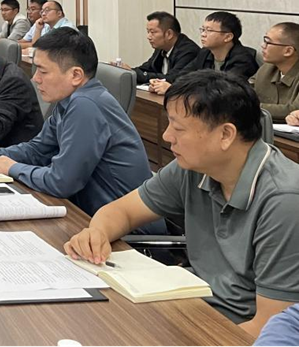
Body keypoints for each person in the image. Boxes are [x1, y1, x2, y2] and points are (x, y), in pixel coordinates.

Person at [64, 71, 299, 337]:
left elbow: (269, 330)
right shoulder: (193, 167)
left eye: (178, 128)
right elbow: (122, 211)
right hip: (189, 308)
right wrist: (97, 233)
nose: (167, 136)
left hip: (231, 331)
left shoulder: (285, 201)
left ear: (225, 134)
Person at [0, 28, 162, 230]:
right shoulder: (69, 101)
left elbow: (61, 182)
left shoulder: (86, 106)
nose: (35, 78)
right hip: (92, 219)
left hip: (129, 234)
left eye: (43, 71)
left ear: (76, 75)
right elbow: (36, 149)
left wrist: (12, 167)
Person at [152, 11, 258, 95]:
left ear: (228, 37)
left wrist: (173, 89)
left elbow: (224, 92)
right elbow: (183, 75)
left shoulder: (243, 60)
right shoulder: (205, 53)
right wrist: (159, 83)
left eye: (209, 30)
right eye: (202, 29)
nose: (203, 34)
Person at [112, 11, 199, 84]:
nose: (148, 37)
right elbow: (146, 68)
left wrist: (135, 73)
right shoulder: (161, 48)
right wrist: (127, 71)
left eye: (153, 32)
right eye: (148, 32)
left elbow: (172, 78)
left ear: (169, 34)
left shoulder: (188, 51)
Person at [251, 23, 299, 122]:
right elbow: (244, 89)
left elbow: (294, 109)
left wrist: (249, 106)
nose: (263, 46)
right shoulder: (267, 68)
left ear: (288, 51)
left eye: (268, 42)